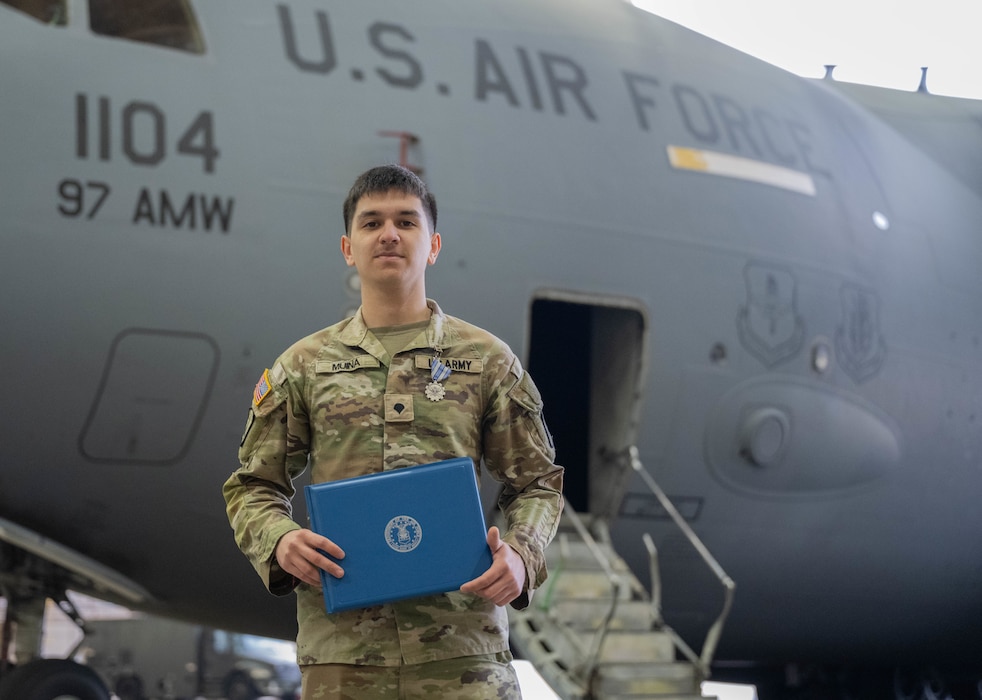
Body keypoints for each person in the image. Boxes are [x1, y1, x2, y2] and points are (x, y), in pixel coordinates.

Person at [223, 164, 564, 699]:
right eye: (371, 223)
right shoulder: (304, 366)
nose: (388, 234)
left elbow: (538, 483)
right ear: (347, 248)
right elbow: (252, 486)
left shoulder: (487, 361)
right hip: (345, 654)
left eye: (406, 222)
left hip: (462, 652)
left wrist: (521, 554)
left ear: (433, 246)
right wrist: (280, 540)